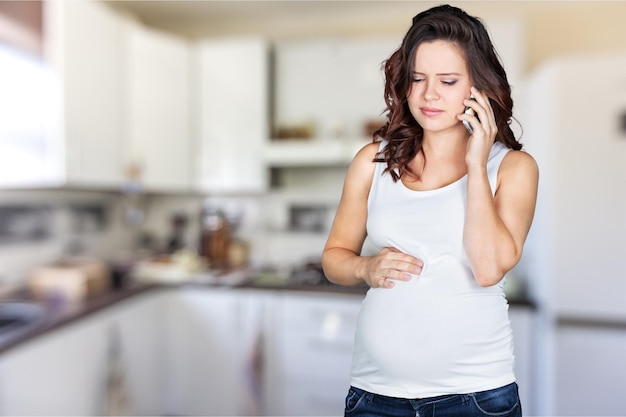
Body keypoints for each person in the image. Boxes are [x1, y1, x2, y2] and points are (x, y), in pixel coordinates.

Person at [321, 4, 539, 417]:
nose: (429, 95)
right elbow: (335, 257)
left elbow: (489, 268)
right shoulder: (373, 162)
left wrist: (475, 166)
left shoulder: (511, 168)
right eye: (417, 79)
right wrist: (365, 269)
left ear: (478, 87)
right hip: (374, 396)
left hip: (475, 397)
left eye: (448, 80)